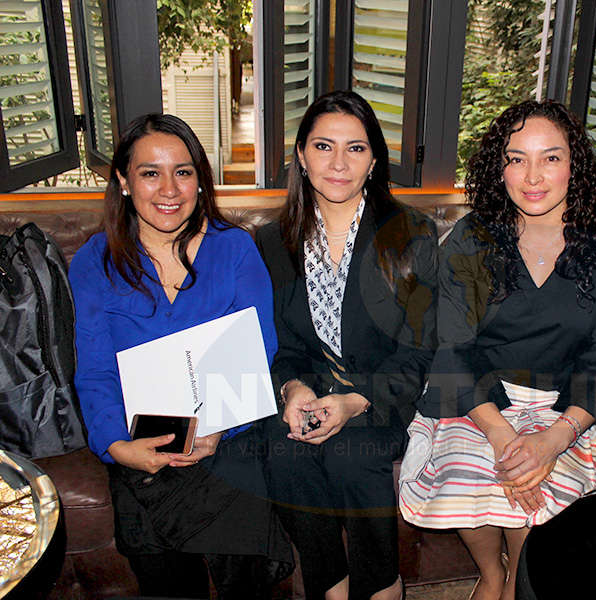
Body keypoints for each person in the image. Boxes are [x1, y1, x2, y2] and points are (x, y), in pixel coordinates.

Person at [398, 100, 596, 600]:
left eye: (550, 157)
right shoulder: (471, 239)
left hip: (566, 409)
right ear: (498, 168)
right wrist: (508, 440)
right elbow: (455, 349)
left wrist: (549, 443)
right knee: (473, 477)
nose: (533, 176)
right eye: (516, 158)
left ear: (576, 165)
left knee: (532, 498)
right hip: (478, 400)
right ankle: (491, 571)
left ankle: (516, 580)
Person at [69, 113, 292, 599]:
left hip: (226, 424)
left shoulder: (234, 249)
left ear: (200, 180)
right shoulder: (94, 261)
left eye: (184, 171)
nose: (169, 189)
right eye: (150, 172)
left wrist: (218, 428)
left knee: (236, 493)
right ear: (125, 182)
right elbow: (95, 370)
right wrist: (115, 445)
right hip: (141, 431)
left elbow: (258, 347)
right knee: (155, 547)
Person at [255, 90, 438, 600]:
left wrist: (357, 398)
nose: (338, 163)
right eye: (323, 146)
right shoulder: (271, 242)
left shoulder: (411, 234)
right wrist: (291, 389)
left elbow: (420, 351)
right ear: (300, 155)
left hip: (384, 394)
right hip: (310, 391)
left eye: (355, 149)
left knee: (352, 457)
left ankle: (383, 584)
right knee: (282, 452)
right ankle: (329, 584)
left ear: (374, 160)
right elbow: (277, 344)